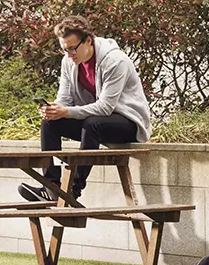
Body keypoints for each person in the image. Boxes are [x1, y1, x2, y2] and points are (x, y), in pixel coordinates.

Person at [19, 15, 152, 203]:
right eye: (64, 50)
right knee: (50, 124)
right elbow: (64, 99)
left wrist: (66, 112)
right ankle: (51, 188)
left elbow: (105, 107)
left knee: (93, 123)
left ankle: (73, 190)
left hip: (127, 122)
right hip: (95, 121)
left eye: (73, 48)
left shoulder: (115, 61)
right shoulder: (69, 62)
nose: (69, 54)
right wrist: (53, 110)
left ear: (88, 40)